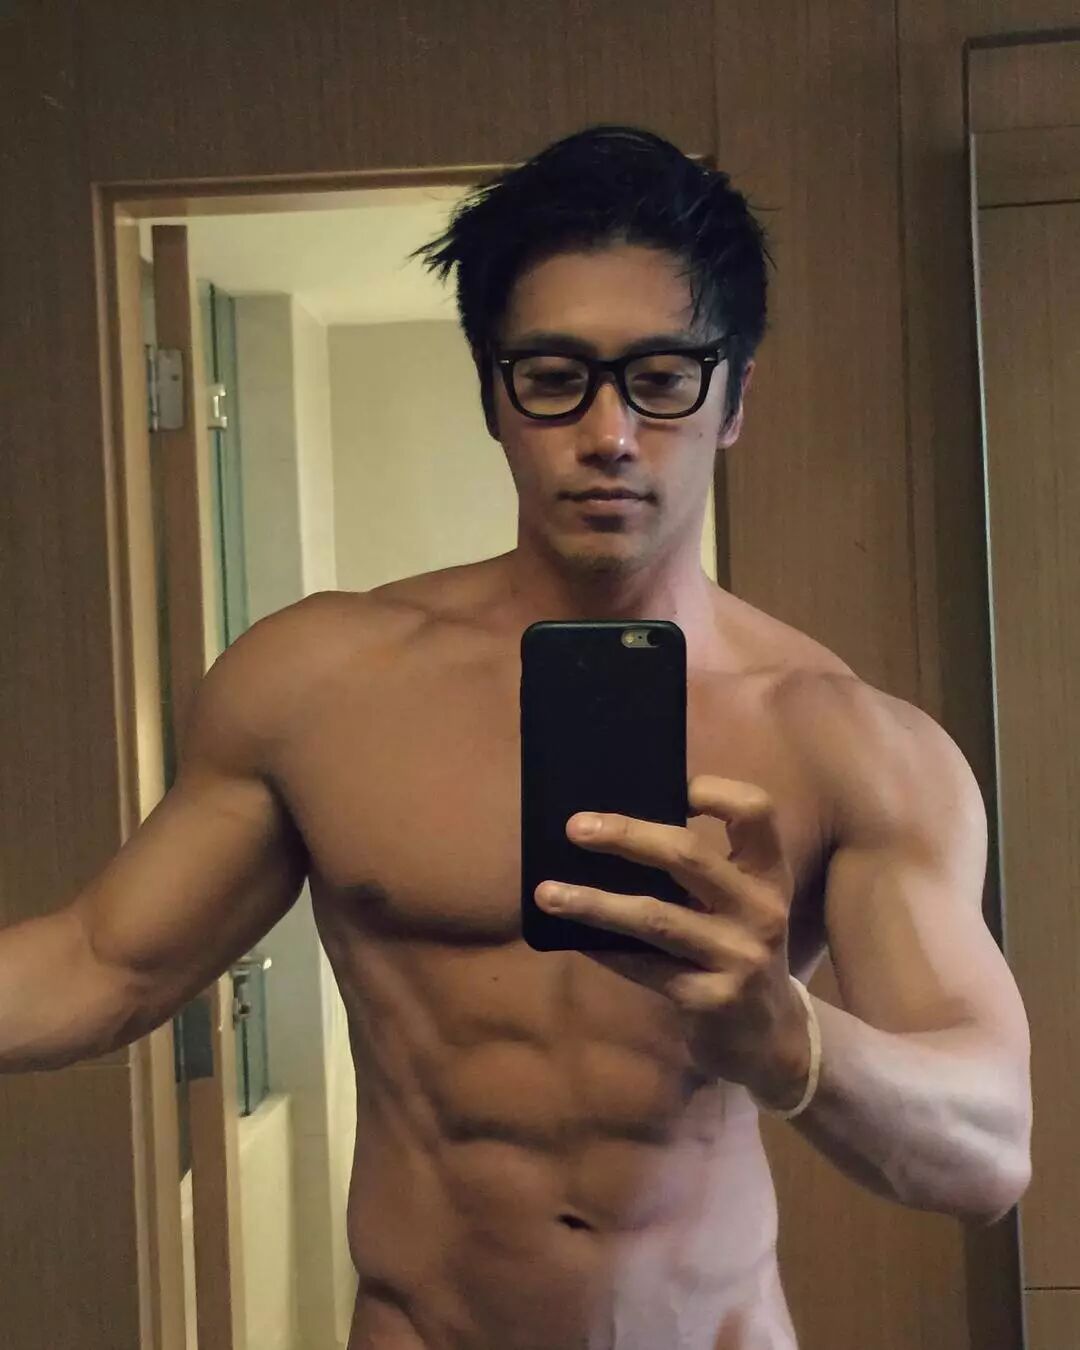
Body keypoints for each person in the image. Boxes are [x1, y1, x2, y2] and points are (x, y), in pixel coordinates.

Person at [0, 126, 1031, 1350]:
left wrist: (788, 1038)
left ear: (734, 400)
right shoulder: (318, 685)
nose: (610, 433)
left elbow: (989, 1148)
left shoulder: (850, 745)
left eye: (662, 377)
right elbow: (102, 966)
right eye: (554, 375)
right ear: (493, 394)